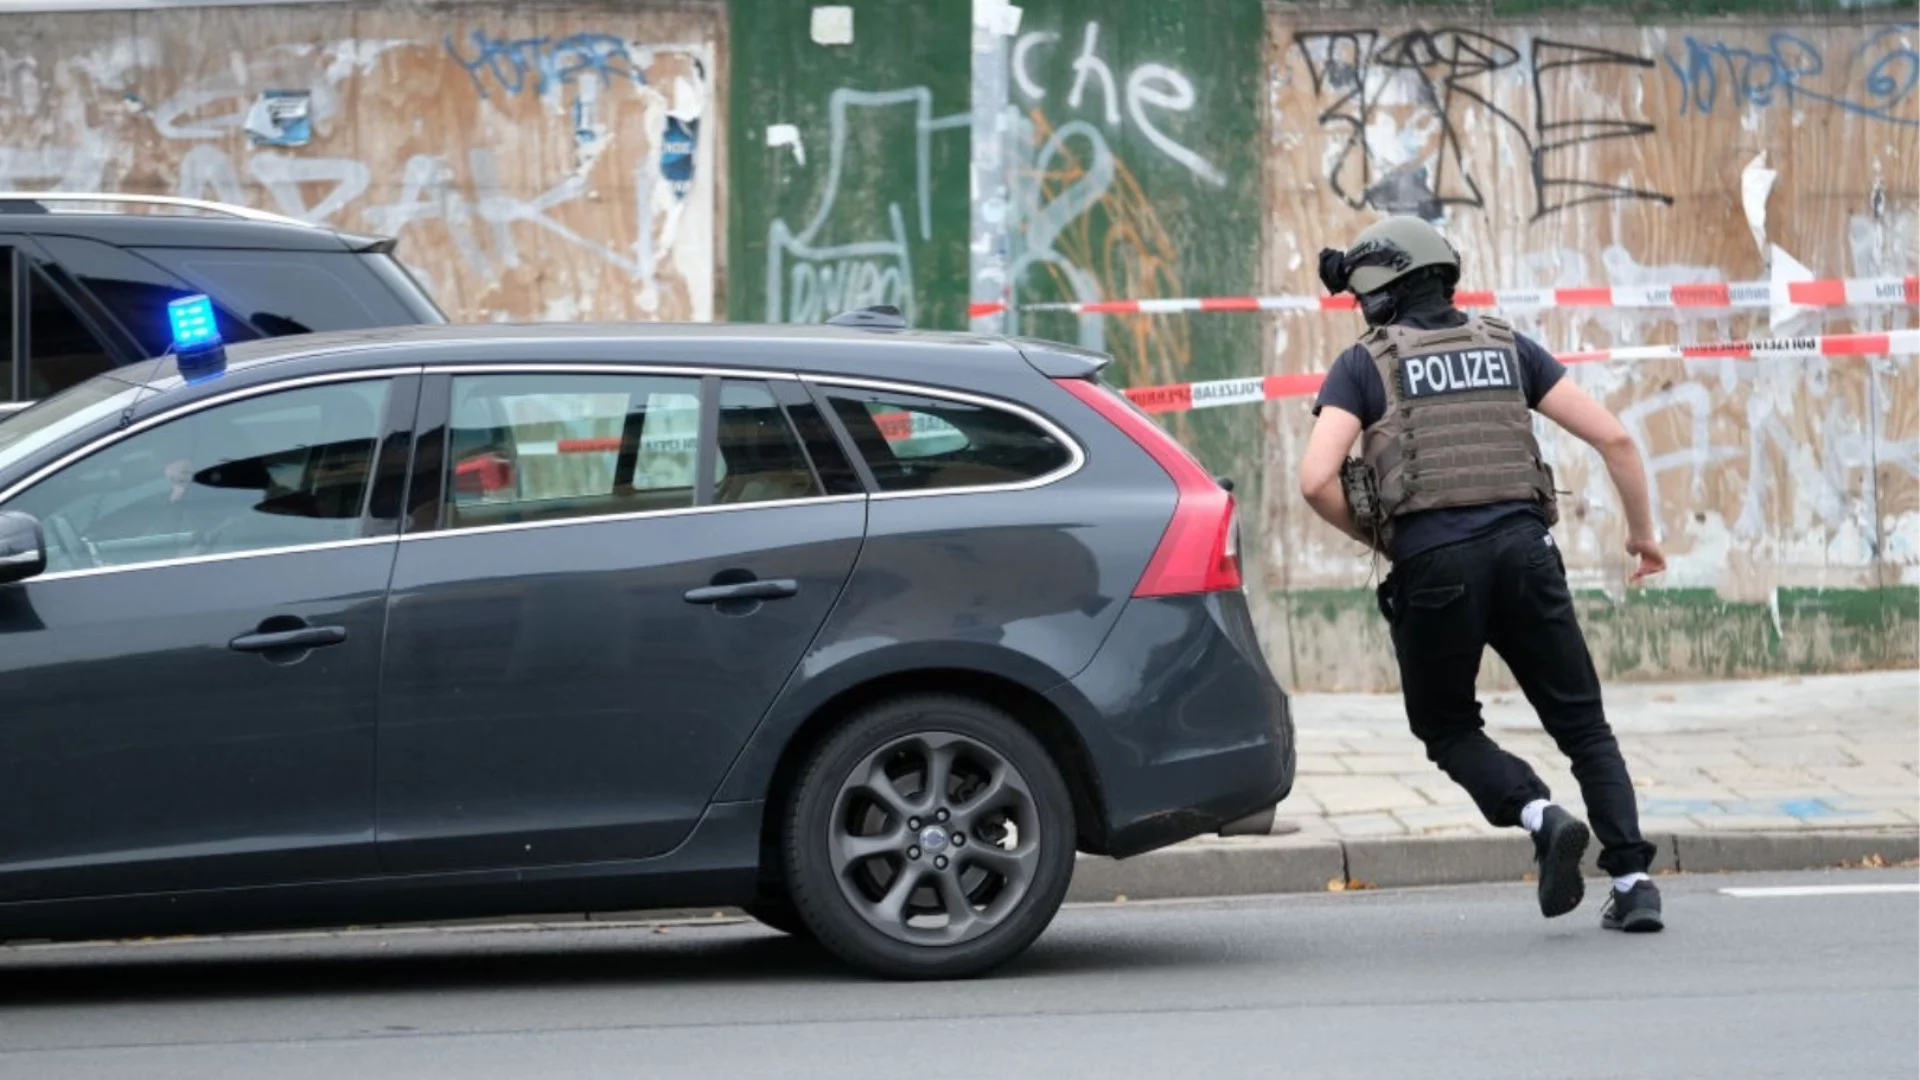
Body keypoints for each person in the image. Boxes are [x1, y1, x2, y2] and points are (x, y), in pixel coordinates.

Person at [1297, 215, 1667, 933]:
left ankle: (1539, 813)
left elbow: (1316, 481)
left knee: (1447, 725)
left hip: (1434, 565)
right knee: (1584, 724)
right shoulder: (1506, 345)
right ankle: (1633, 879)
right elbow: (1615, 437)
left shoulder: (1363, 365)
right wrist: (1643, 537)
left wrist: (1385, 539)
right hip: (1529, 555)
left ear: (1378, 294)